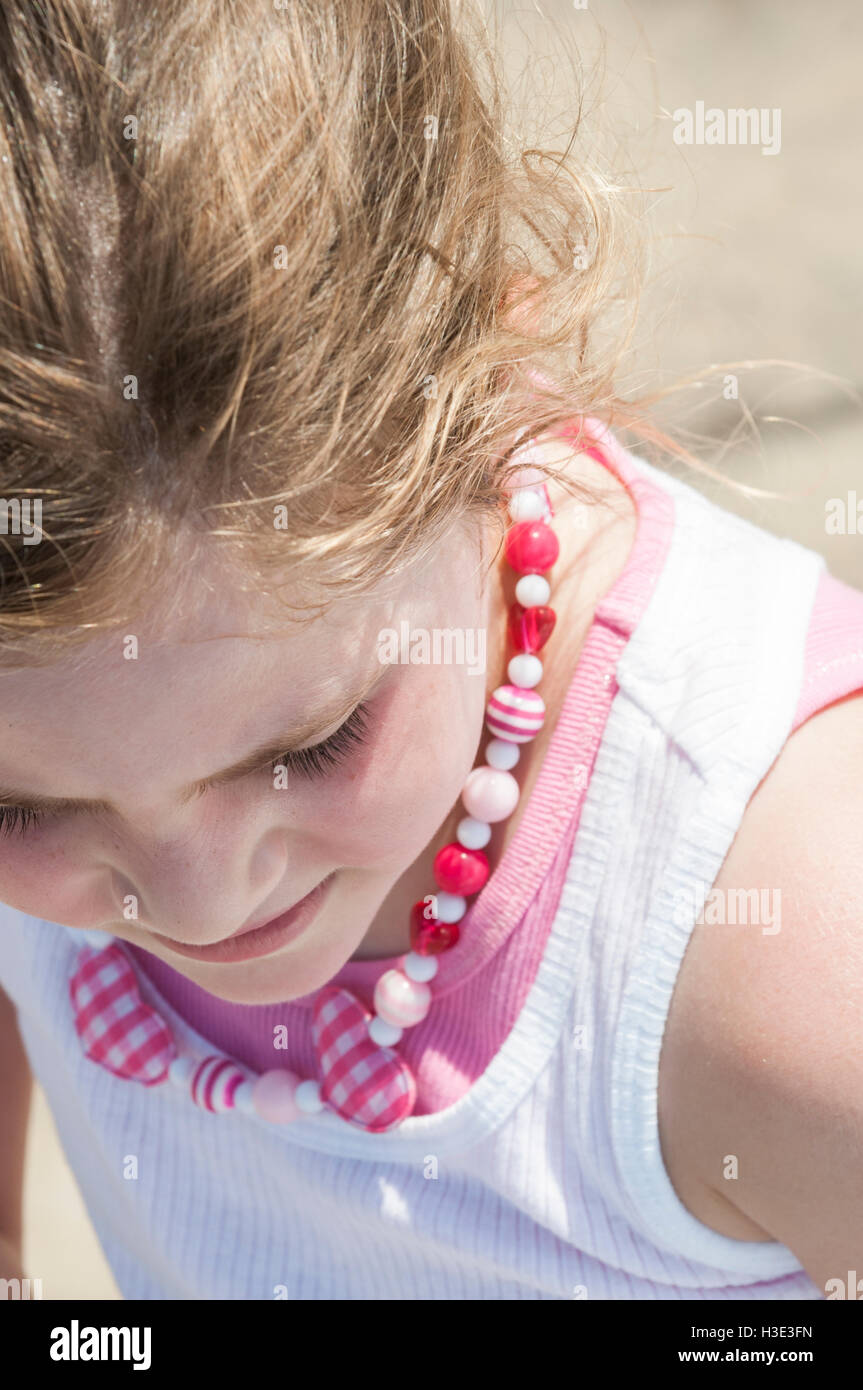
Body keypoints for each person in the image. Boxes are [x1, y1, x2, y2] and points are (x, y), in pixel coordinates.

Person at [0, 0, 861, 1300]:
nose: (196, 902)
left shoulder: (779, 951)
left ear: (500, 392)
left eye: (309, 744)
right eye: (21, 804)